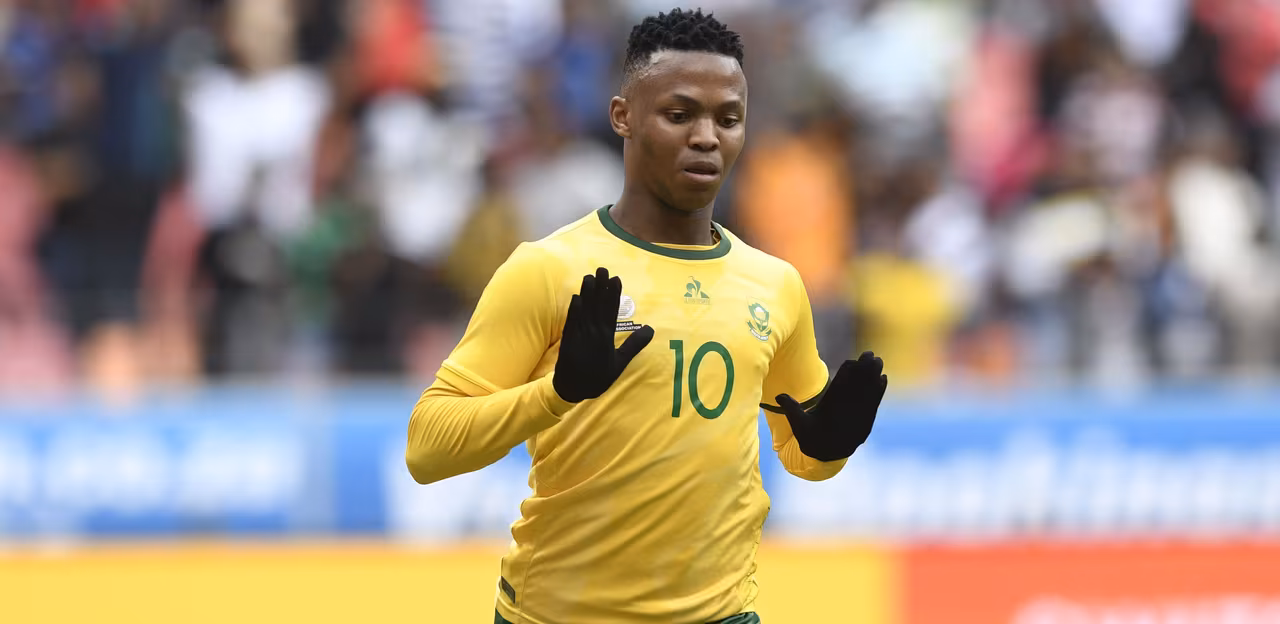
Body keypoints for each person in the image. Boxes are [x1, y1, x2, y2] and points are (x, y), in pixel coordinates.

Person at [405, 9, 888, 623]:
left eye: (728, 119)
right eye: (679, 115)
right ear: (623, 116)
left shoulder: (775, 286)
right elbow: (427, 450)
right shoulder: (548, 269)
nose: (707, 137)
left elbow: (804, 456)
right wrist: (556, 395)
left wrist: (829, 446)